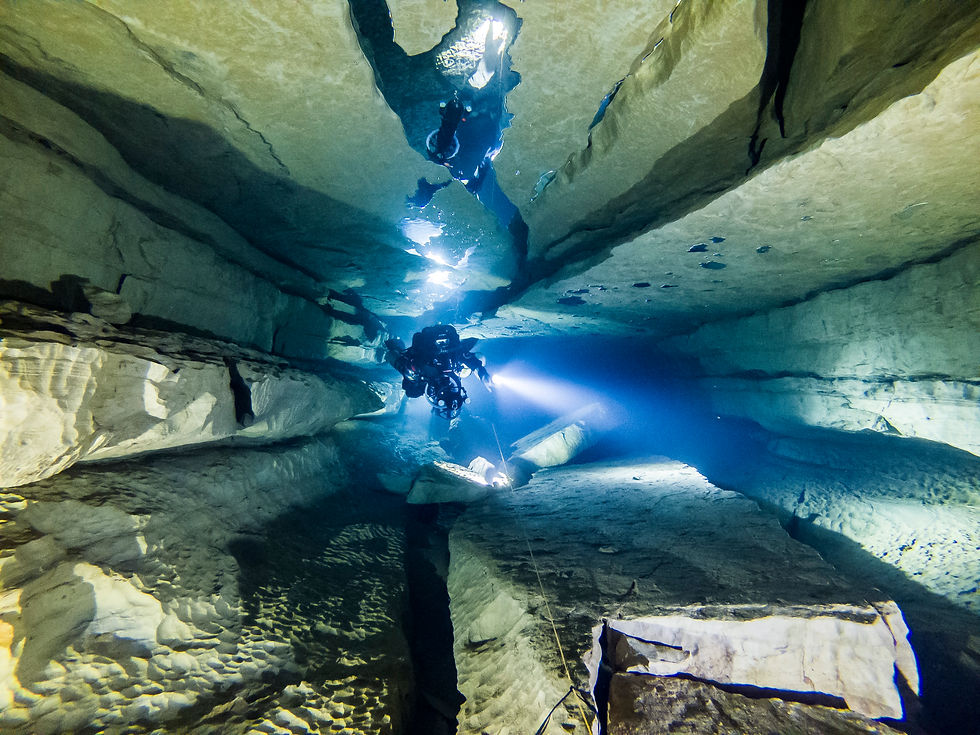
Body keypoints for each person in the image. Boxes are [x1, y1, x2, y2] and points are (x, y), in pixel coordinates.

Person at [385, 324, 491, 419]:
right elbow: (465, 356)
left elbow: (465, 356)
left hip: (426, 358)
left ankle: (393, 344)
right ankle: (393, 345)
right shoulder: (449, 362)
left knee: (412, 386)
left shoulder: (422, 372)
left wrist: (482, 373)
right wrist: (482, 374)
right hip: (435, 355)